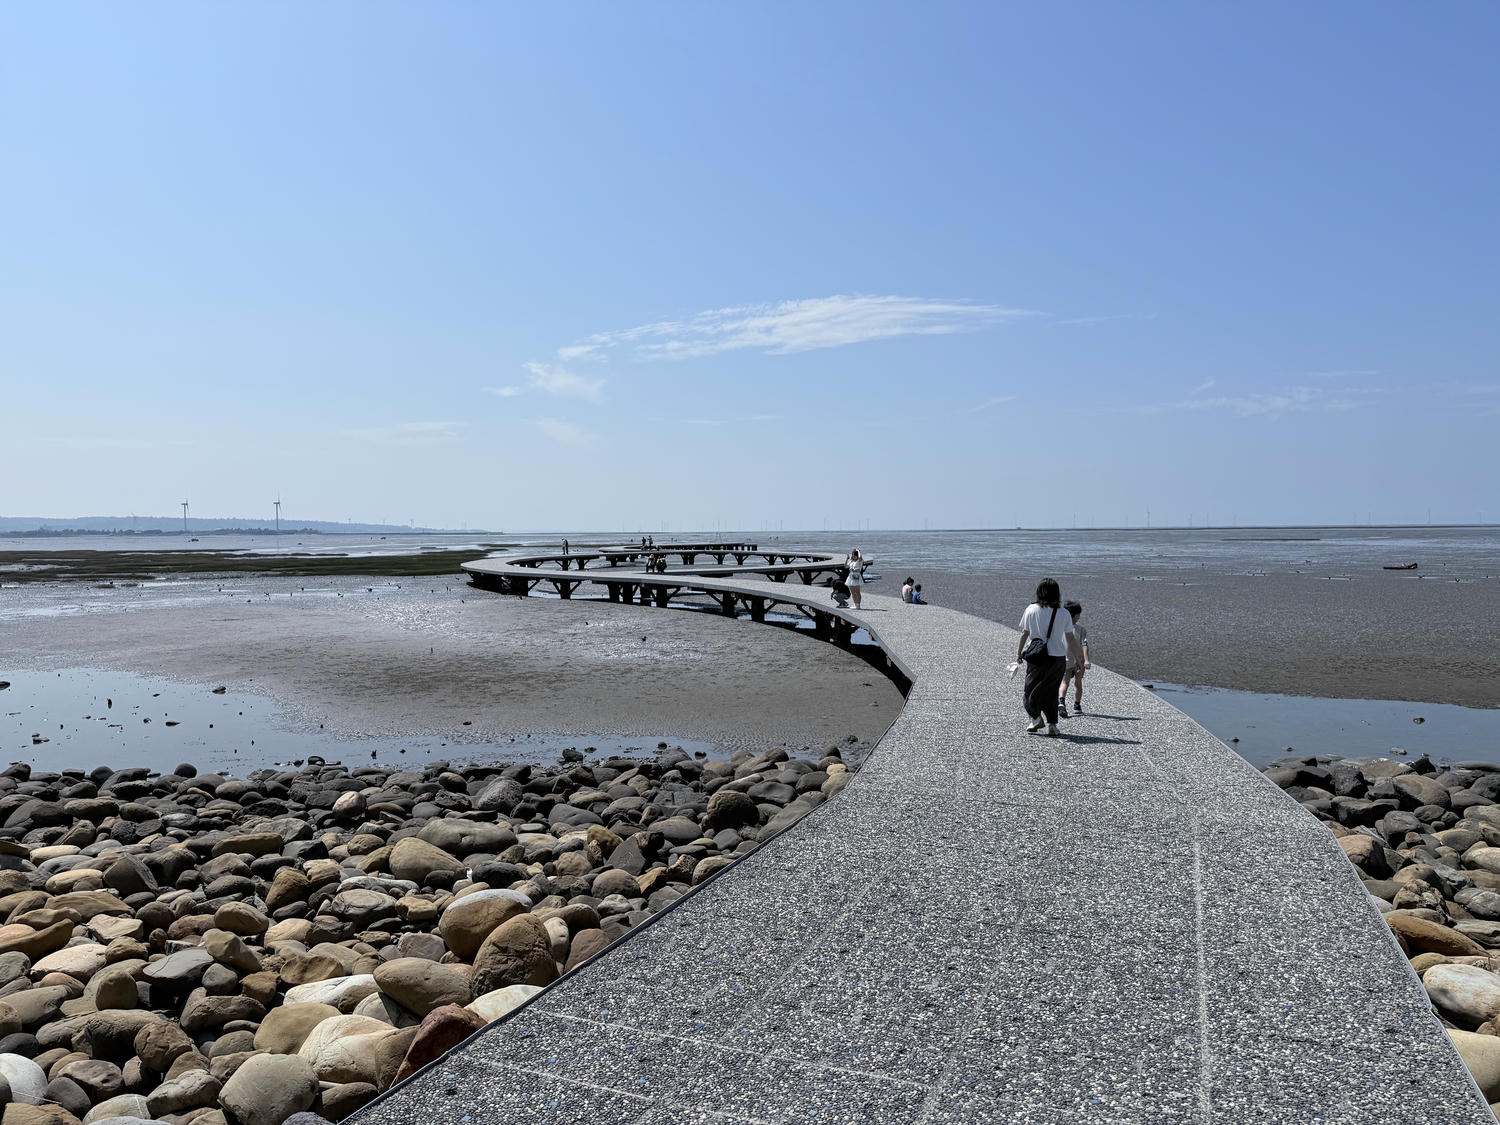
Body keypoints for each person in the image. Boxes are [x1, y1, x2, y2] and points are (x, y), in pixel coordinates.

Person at [1016, 577, 1083, 737]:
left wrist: (1019, 653)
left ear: (1039, 592)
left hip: (1036, 656)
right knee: (1051, 691)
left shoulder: (1031, 609)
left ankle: (1035, 718)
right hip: (1057, 657)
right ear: (1057, 593)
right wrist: (1078, 658)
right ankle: (1052, 726)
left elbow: (1025, 633)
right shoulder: (1064, 613)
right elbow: (1070, 638)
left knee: (1030, 689)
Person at [1058, 600, 1091, 716]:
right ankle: (1077, 705)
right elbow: (1084, 645)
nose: (1079, 617)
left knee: (1064, 682)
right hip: (1079, 661)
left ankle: (1061, 702)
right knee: (1078, 683)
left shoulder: (1059, 628)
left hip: (1065, 660)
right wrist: (1086, 660)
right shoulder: (1081, 630)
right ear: (1075, 615)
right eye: (1078, 615)